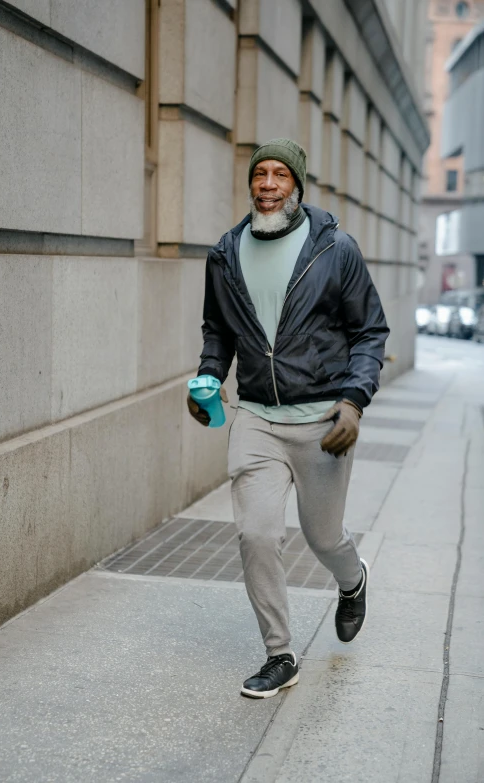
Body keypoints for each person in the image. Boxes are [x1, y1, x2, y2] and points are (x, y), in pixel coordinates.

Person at [187, 138, 389, 699]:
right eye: (260, 175)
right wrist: (207, 375)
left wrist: (353, 400)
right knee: (256, 533)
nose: (268, 184)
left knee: (323, 537)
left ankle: (353, 581)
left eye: (280, 175)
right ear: (251, 184)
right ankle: (280, 654)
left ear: (297, 185)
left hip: (323, 418)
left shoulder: (334, 249)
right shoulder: (225, 253)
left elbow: (370, 331)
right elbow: (218, 330)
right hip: (254, 415)